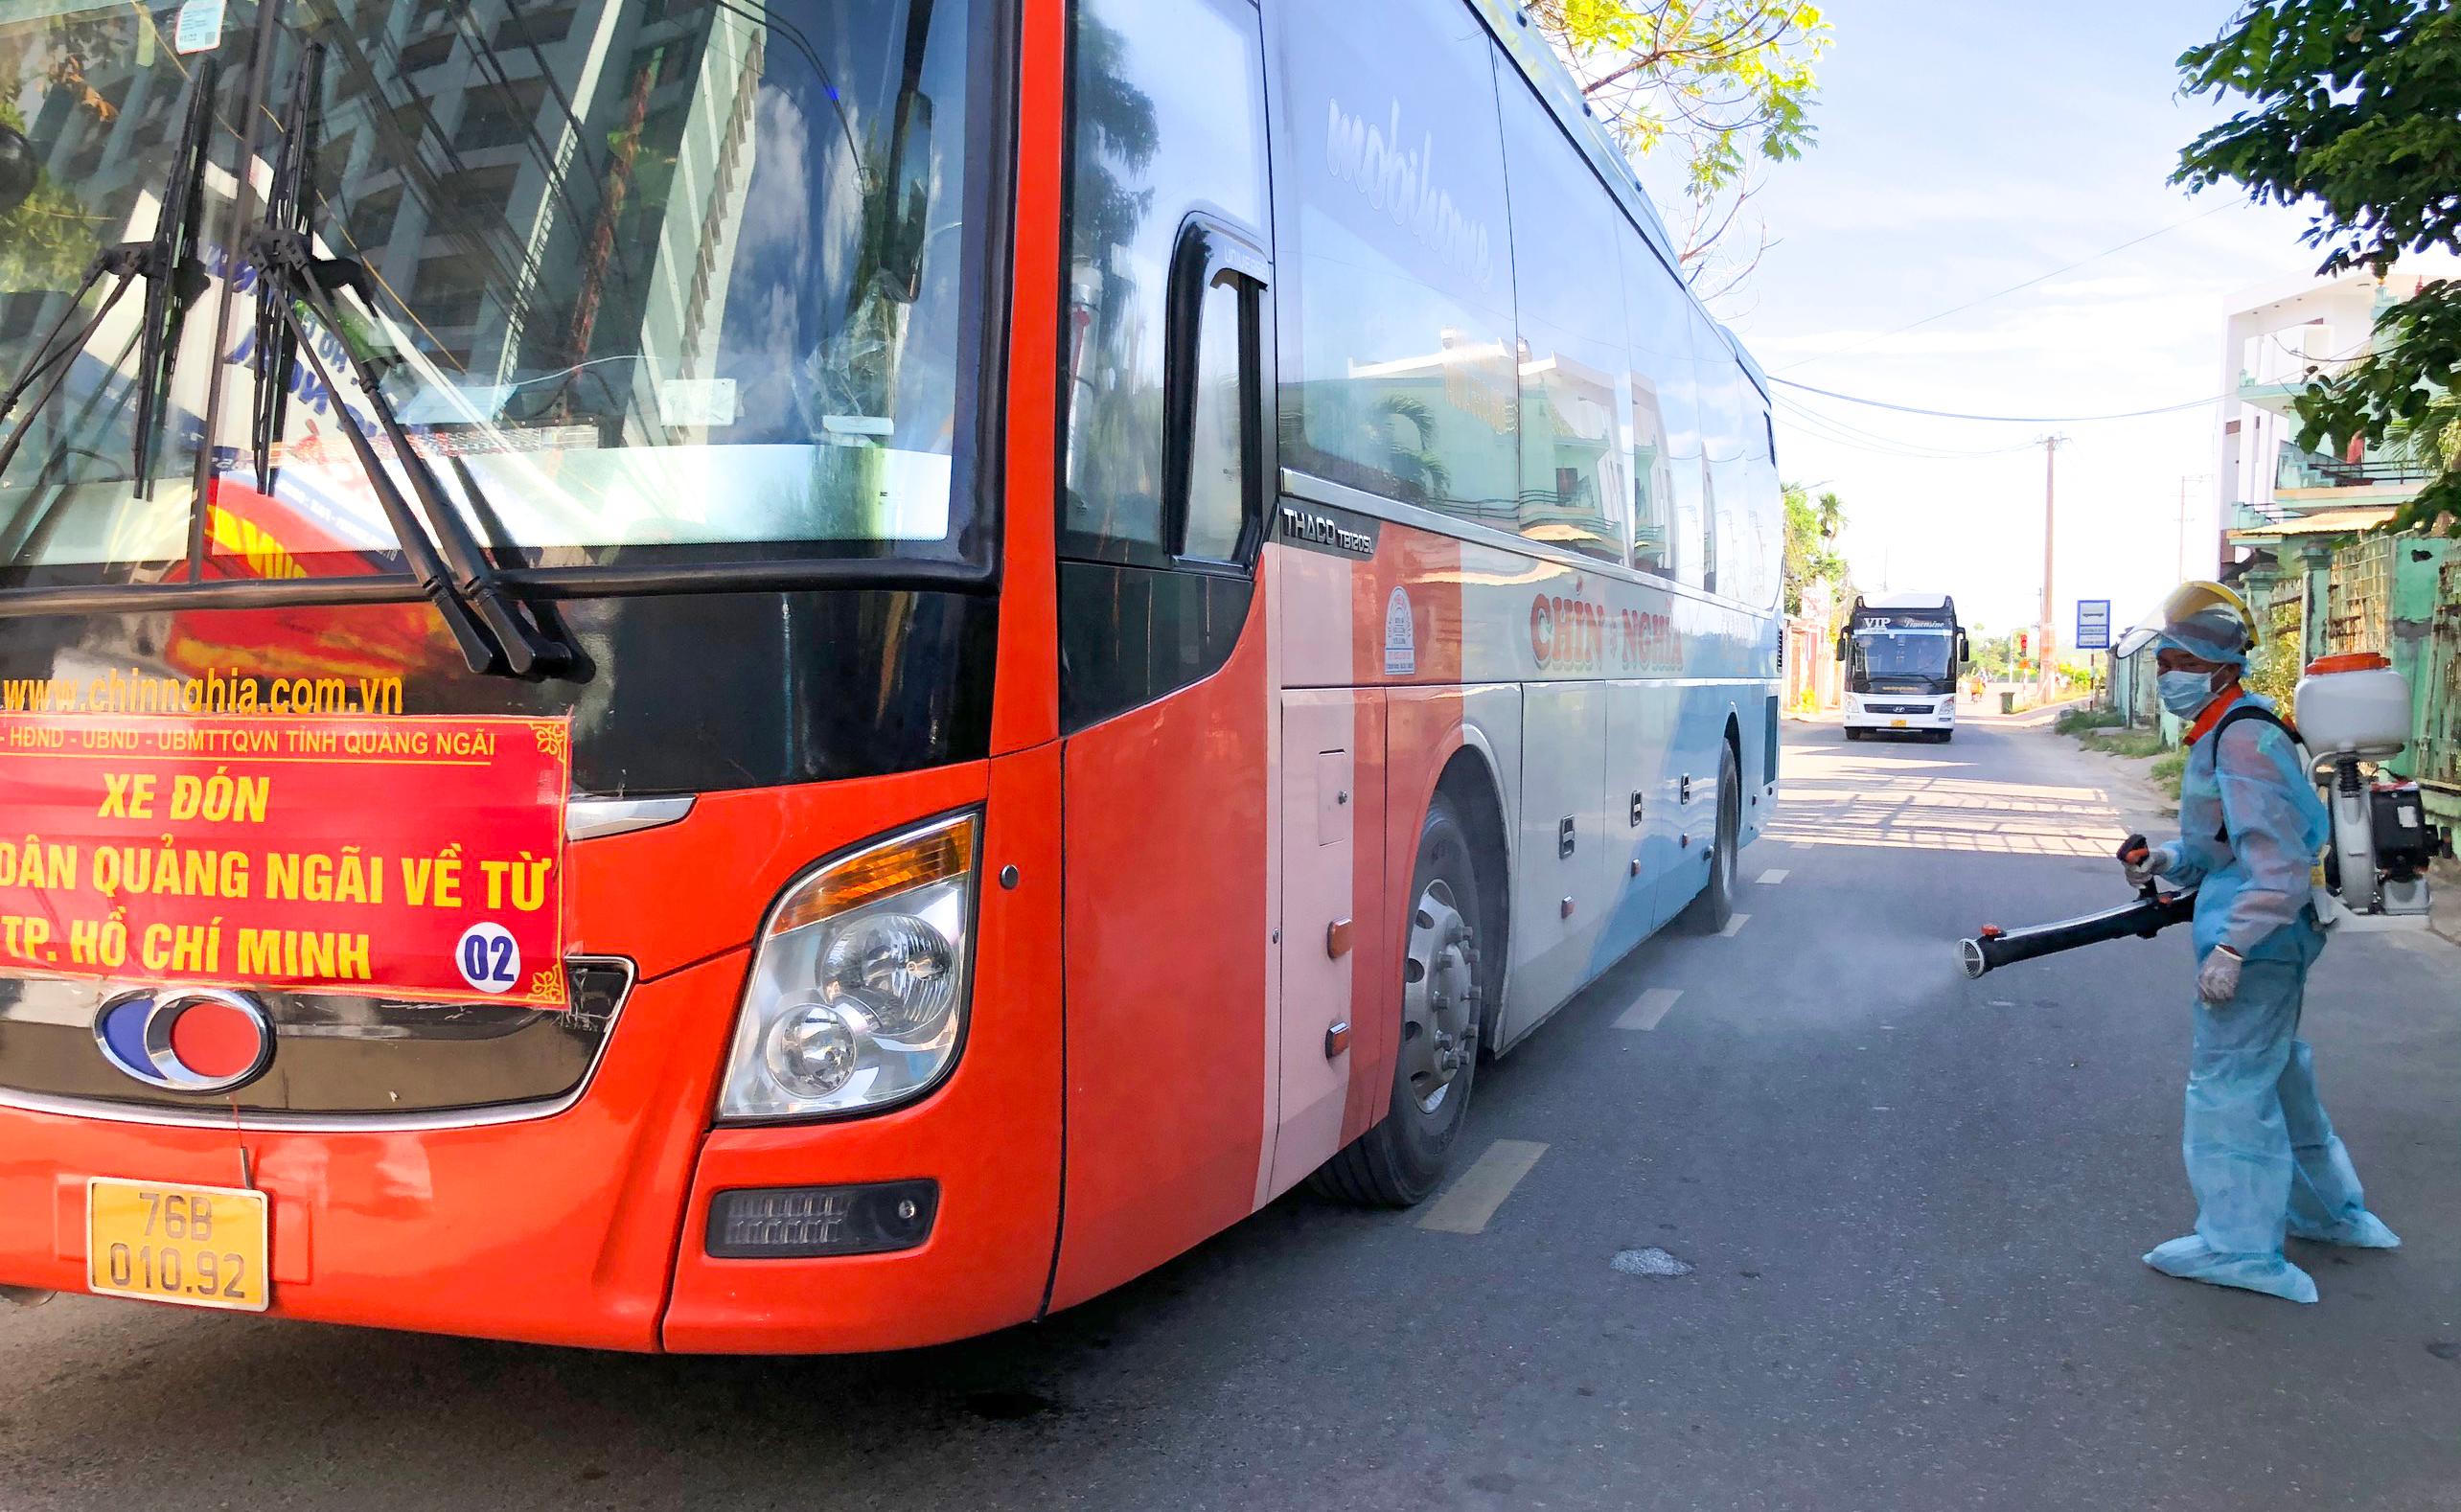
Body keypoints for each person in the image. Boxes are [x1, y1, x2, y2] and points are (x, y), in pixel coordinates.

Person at [2113, 583, 2400, 1303]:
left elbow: (2277, 864)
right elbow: (2223, 848)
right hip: (2267, 933)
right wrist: (2164, 861)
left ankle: (2241, 1249)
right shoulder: (2228, 729)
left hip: (2259, 941)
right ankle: (2330, 1213)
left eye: (2177, 662)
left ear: (2217, 665)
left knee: (2230, 1089)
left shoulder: (2243, 738)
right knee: (2276, 1072)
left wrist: (2234, 947)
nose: (2165, 675)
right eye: (2161, 662)